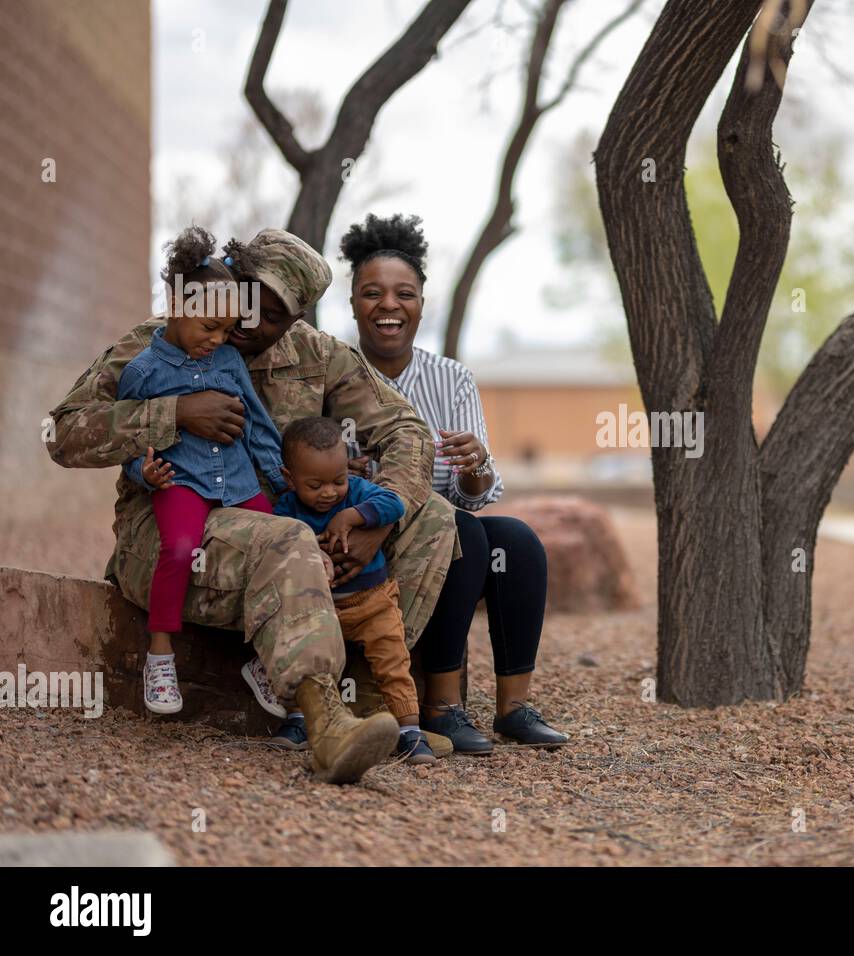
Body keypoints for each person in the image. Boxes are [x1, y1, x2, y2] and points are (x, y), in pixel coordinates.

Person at [45, 227, 458, 783]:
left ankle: (362, 697)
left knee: (432, 515)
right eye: (243, 302)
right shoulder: (159, 343)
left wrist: (373, 526)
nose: (244, 324)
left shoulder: (316, 354)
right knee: (287, 538)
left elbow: (408, 430)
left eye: (269, 316)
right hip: (175, 538)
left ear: (296, 319)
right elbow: (62, 434)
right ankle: (326, 725)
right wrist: (175, 413)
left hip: (276, 525)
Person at [334, 212, 569, 753]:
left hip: (452, 529)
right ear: (352, 303)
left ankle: (512, 707)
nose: (389, 305)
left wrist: (475, 465)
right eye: (372, 293)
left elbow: (479, 492)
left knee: (517, 540)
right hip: (367, 534)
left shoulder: (451, 378)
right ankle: (442, 706)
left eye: (405, 294)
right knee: (464, 531)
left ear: (421, 303)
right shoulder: (335, 375)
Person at [119, 227, 286, 715]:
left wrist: (279, 478)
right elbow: (128, 438)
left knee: (283, 541)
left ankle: (261, 661)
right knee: (179, 547)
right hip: (182, 482)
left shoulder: (230, 360)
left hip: (236, 481)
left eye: (226, 328)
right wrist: (141, 473)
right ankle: (161, 654)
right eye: (209, 326)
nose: (218, 339)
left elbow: (255, 423)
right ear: (176, 305)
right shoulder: (143, 371)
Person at [269, 416, 438, 765]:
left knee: (393, 663)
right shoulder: (287, 507)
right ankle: (302, 720)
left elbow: (395, 504)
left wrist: (353, 516)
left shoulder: (358, 492)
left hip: (373, 602)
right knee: (313, 661)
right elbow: (277, 538)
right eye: (315, 485)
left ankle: (409, 730)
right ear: (289, 478)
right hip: (321, 608)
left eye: (338, 480)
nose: (329, 492)